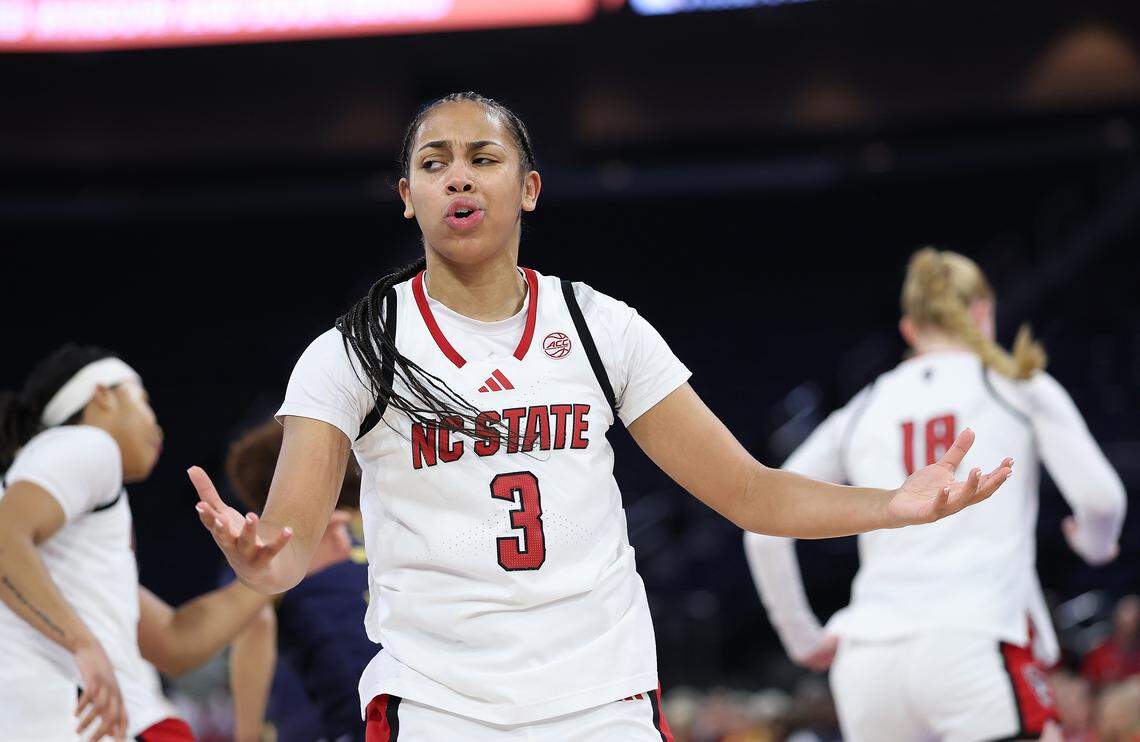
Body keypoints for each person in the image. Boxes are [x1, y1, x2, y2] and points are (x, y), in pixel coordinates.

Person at [189, 92, 1013, 741]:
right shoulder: (353, 351)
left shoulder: (601, 328)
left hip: (600, 699)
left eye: (484, 158)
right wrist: (258, 561)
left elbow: (750, 493)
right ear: (409, 197)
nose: (458, 178)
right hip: (438, 705)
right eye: (434, 164)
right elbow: (288, 554)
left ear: (529, 188)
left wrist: (891, 507)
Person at [744, 248, 1127, 742]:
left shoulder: (863, 407)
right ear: (983, 311)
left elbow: (765, 524)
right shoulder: (1015, 383)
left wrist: (803, 638)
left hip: (869, 659)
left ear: (909, 329)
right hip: (973, 638)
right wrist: (1094, 542)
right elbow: (1101, 499)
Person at [0, 344, 272, 740]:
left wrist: (279, 570)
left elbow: (175, 642)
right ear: (102, 395)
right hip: (82, 718)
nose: (157, 426)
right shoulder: (86, 443)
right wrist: (83, 644)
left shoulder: (64, 552)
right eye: (143, 400)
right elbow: (4, 543)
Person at [225, 419, 373, 742]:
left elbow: (255, 624)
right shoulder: (381, 523)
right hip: (413, 713)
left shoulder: (275, 551)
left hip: (361, 720)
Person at [1082, 595, 1140, 689]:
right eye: (1123, 625)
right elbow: (1089, 685)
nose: (1127, 630)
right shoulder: (1099, 652)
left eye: (1134, 623)